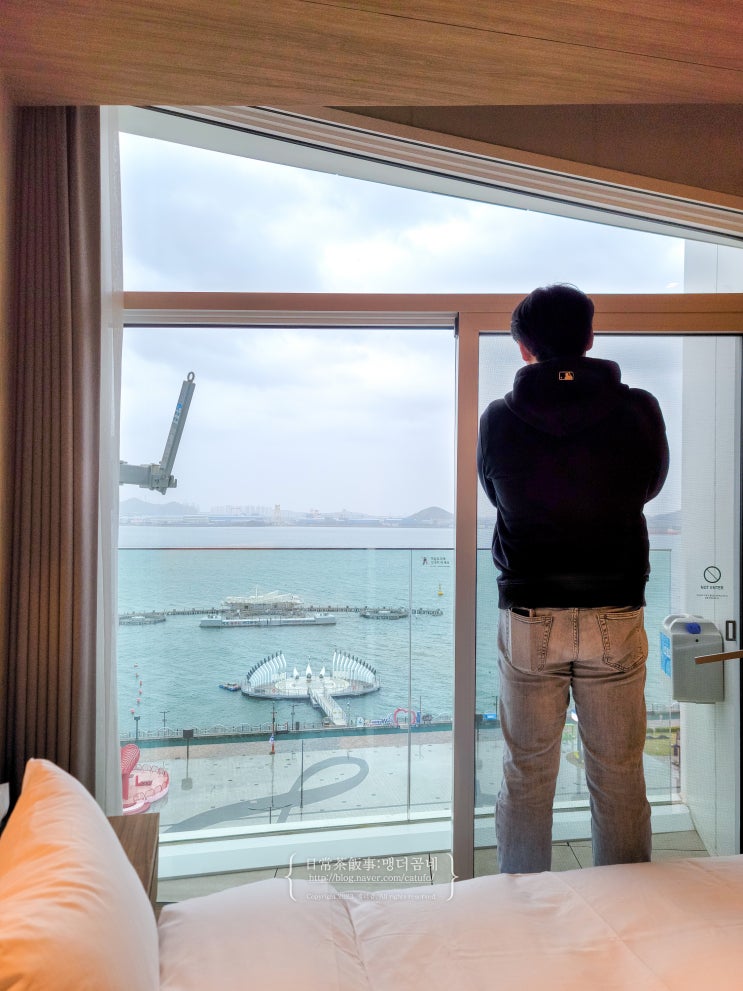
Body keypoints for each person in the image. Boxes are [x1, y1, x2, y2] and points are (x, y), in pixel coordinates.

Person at [477, 284, 669, 874]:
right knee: (617, 772)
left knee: (527, 773)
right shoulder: (639, 409)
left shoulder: (500, 418)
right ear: (589, 338)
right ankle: (626, 905)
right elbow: (649, 486)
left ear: (524, 348)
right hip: (615, 607)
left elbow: (498, 493)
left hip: (530, 612)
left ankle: (523, 906)